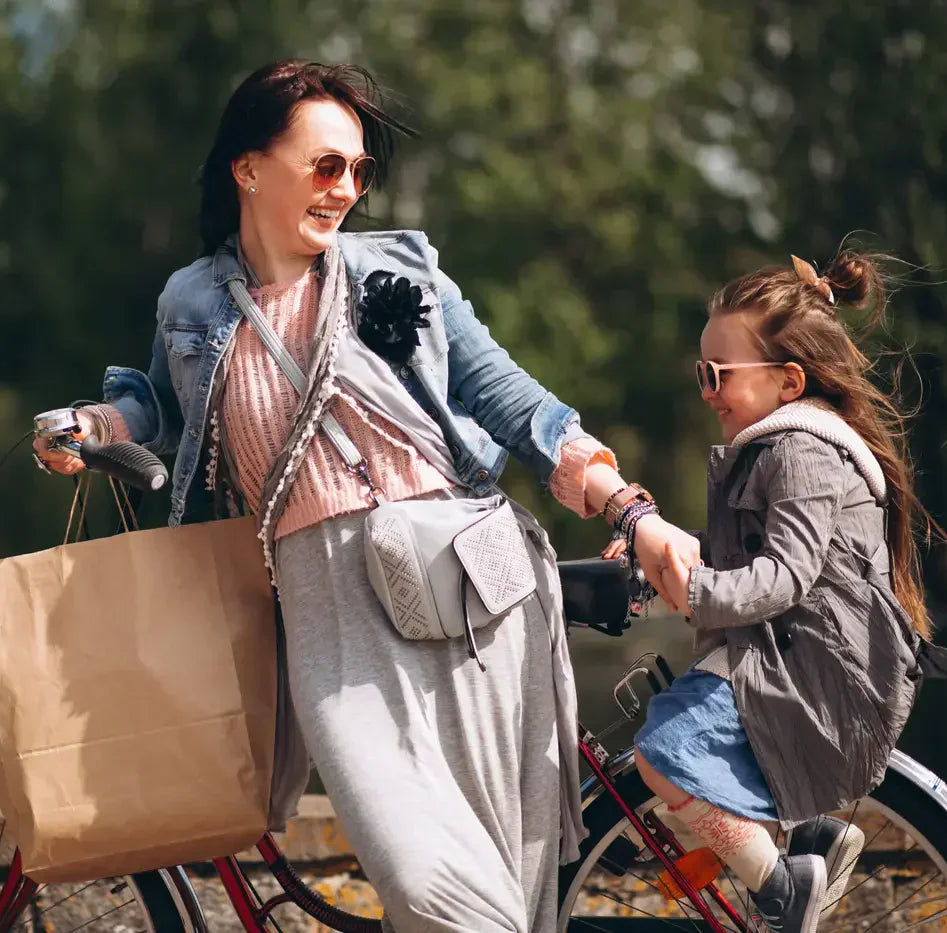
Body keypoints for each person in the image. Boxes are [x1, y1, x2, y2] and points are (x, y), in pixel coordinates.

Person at [35, 59, 700, 931]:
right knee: (431, 888)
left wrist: (633, 512)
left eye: (358, 170)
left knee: (492, 888)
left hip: (472, 610)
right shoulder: (192, 300)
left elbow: (516, 402)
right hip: (327, 624)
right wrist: (93, 426)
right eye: (324, 165)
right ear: (247, 166)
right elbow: (163, 406)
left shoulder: (404, 269)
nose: (345, 188)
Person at [635, 252, 947, 933]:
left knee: (665, 749)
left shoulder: (804, 453)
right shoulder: (773, 447)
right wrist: (659, 558)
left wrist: (697, 592)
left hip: (816, 673)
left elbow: (784, 574)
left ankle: (785, 885)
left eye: (719, 375)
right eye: (702, 373)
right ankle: (815, 841)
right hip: (790, 657)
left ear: (788, 380)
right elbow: (751, 552)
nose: (706, 391)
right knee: (673, 741)